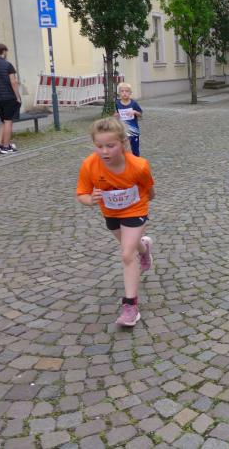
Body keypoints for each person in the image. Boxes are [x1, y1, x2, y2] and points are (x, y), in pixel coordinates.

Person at [76, 117, 155, 327]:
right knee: (131, 247)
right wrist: (90, 200)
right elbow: (82, 194)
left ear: (123, 143)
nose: (104, 151)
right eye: (99, 146)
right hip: (110, 213)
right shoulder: (89, 165)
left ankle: (130, 307)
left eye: (110, 146)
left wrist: (147, 201)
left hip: (135, 209)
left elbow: (149, 189)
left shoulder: (138, 165)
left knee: (127, 254)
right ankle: (144, 248)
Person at [114, 83, 143, 157]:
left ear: (130, 93)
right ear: (119, 93)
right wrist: (116, 116)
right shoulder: (117, 103)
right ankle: (125, 161)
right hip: (123, 130)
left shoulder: (134, 103)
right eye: (122, 91)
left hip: (134, 131)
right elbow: (116, 114)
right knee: (123, 149)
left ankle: (136, 161)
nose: (124, 93)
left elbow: (140, 114)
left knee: (135, 149)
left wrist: (135, 112)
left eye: (127, 91)